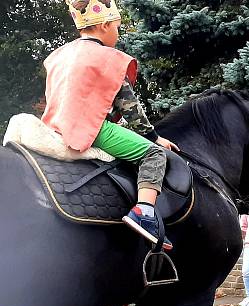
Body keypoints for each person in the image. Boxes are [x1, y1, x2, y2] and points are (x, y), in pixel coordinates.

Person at [43, 0, 179, 249]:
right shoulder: (108, 58)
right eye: (117, 27)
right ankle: (145, 213)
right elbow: (128, 107)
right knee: (154, 156)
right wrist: (154, 137)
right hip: (89, 129)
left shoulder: (59, 55)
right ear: (104, 25)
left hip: (53, 126)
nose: (118, 33)